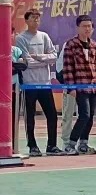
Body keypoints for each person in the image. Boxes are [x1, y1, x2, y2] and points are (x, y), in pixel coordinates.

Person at [15, 9, 62, 156]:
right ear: (26, 20)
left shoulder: (44, 36)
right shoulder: (21, 38)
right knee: (30, 117)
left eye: (37, 18)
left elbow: (53, 57)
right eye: (32, 18)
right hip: (29, 84)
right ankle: (32, 146)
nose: (36, 20)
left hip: (45, 83)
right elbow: (27, 62)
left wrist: (38, 57)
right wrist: (43, 60)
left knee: (52, 115)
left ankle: (52, 146)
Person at [62, 15, 96, 155]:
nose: (87, 29)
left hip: (93, 86)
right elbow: (67, 67)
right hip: (79, 85)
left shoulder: (94, 45)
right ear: (77, 28)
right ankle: (70, 144)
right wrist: (71, 87)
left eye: (89, 26)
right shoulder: (71, 44)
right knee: (84, 115)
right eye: (84, 26)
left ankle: (83, 143)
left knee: (91, 116)